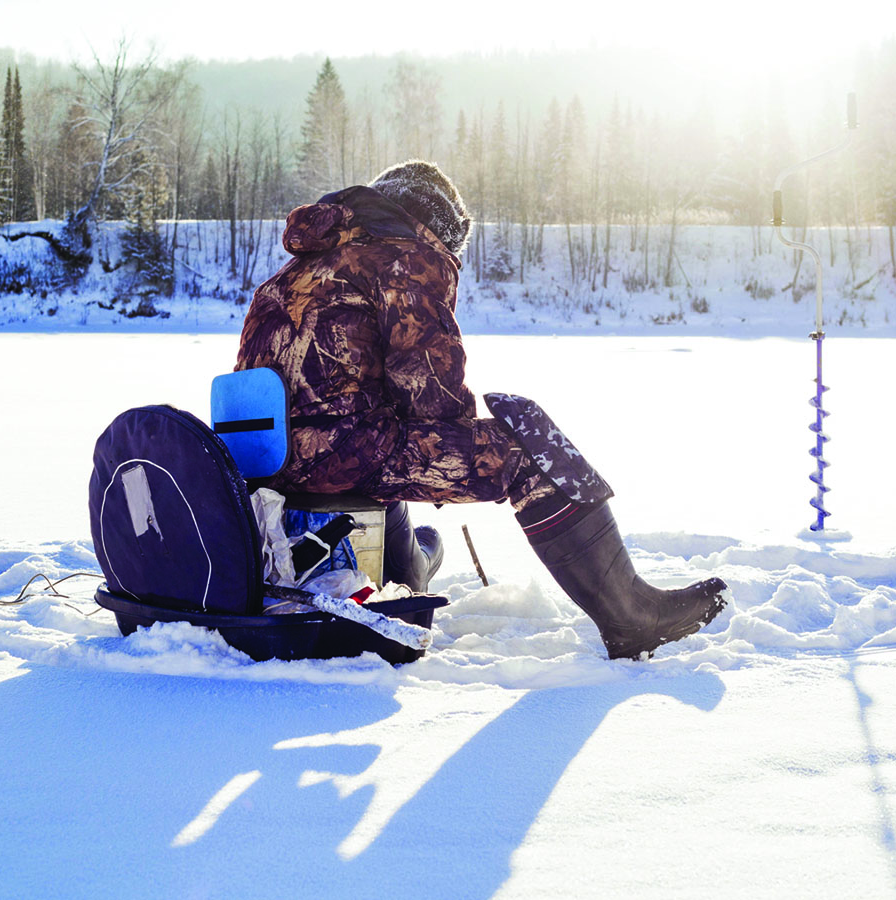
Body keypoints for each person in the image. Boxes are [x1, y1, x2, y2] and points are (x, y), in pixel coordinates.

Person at [236, 160, 728, 659]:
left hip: (267, 463)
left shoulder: (300, 266)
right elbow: (432, 400)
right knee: (523, 451)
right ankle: (633, 617)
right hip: (341, 454)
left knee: (379, 440)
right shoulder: (408, 254)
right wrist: (463, 426)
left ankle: (407, 573)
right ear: (438, 229)